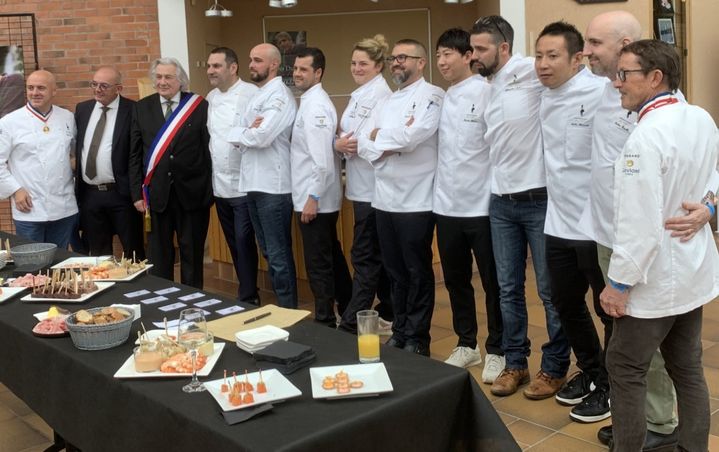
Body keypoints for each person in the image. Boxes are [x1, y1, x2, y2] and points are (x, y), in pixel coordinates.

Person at [578, 11, 712, 448]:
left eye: (625, 75)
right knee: (687, 368)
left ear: (655, 77)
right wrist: (710, 204)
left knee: (625, 366)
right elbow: (713, 176)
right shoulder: (700, 118)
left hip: (653, 280)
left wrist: (617, 285)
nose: (617, 83)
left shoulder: (646, 136)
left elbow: (638, 226)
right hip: (692, 272)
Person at [470, 16, 569, 399]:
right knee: (507, 288)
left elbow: (569, 80)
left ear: (504, 48)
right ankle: (515, 364)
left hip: (539, 200)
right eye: (473, 49)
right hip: (501, 202)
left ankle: (555, 367)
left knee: (549, 290)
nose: (474, 56)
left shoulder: (529, 70)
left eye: (481, 49)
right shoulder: (485, 86)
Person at [534, 22, 611, 422]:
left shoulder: (603, 92)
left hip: (595, 225)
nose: (543, 65)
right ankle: (594, 372)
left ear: (577, 58)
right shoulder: (543, 93)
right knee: (564, 303)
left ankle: (613, 387)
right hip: (557, 222)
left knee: (607, 309)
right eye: (539, 56)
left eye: (553, 56)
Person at [357, 39, 444, 356]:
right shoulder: (387, 101)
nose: (396, 63)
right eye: (394, 58)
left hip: (416, 201)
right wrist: (385, 142)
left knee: (416, 272)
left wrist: (383, 138)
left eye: (403, 57)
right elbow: (363, 142)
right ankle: (401, 329)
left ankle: (419, 337)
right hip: (384, 201)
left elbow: (413, 137)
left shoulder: (433, 96)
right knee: (394, 272)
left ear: (421, 62)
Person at [433, 28, 504, 382]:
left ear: (468, 57)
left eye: (449, 54)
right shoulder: (445, 97)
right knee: (457, 281)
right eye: (438, 55)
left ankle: (498, 349)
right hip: (446, 206)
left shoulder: (487, 92)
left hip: (482, 206)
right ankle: (466, 343)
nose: (442, 61)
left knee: (493, 283)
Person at [129, 58, 212, 289]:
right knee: (159, 256)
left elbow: (208, 151)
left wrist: (208, 192)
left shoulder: (199, 106)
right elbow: (134, 154)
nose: (162, 82)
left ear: (181, 81)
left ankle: (194, 301)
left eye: (168, 77)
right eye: (158, 77)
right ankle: (163, 299)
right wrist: (137, 193)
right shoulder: (141, 107)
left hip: (192, 195)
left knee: (192, 255)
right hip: (156, 196)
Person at [227, 43, 298, 308]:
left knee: (278, 256)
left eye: (258, 60)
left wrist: (245, 132)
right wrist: (246, 131)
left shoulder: (279, 96)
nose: (251, 65)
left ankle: (289, 311)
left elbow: (262, 136)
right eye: (251, 59)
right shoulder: (258, 96)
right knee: (268, 252)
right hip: (253, 184)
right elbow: (237, 134)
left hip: (274, 187)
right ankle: (283, 307)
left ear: (274, 64)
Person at [335, 35, 393, 335]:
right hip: (358, 186)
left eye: (363, 64)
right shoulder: (360, 93)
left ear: (378, 66)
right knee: (372, 253)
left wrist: (341, 142)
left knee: (364, 255)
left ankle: (350, 322)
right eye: (354, 63)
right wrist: (340, 142)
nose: (356, 68)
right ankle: (391, 310)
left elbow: (364, 139)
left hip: (372, 187)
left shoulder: (381, 96)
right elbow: (345, 136)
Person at [290, 47, 352, 324]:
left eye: (304, 69)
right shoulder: (310, 101)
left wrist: (312, 197)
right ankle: (348, 308)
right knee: (331, 256)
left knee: (319, 264)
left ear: (318, 72)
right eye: (295, 69)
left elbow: (322, 161)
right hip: (314, 196)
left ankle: (325, 320)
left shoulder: (315, 106)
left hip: (315, 199)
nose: (297, 74)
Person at [206, 47, 261, 304]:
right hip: (220, 185)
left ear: (233, 67)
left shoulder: (252, 94)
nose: (210, 71)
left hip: (244, 183)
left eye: (216, 66)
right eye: (209, 66)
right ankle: (246, 290)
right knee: (232, 242)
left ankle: (249, 296)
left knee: (244, 240)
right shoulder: (210, 98)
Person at [0, 70, 78, 249]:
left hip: (64, 207)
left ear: (54, 91)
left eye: (41, 88)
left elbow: (73, 154)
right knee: (32, 264)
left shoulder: (67, 117)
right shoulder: (9, 122)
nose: (35, 93)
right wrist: (15, 190)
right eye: (30, 88)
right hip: (29, 209)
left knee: (60, 263)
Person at [75, 66, 145, 259]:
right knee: (98, 255)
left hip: (121, 194)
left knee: (133, 253)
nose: (98, 89)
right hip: (90, 195)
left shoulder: (133, 110)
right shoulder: (83, 109)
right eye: (94, 84)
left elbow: (137, 153)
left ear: (119, 88)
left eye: (104, 85)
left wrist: (136, 193)